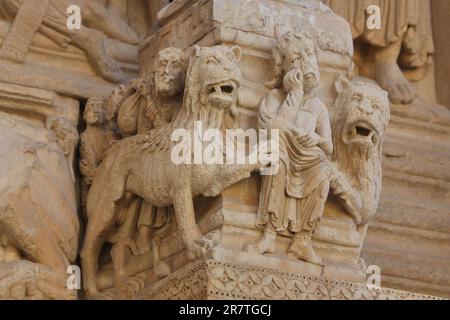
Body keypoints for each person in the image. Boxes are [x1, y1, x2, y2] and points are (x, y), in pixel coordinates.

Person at [245, 31, 332, 266]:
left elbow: (329, 146)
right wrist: (294, 94)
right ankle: (270, 235)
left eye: (309, 56)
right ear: (282, 69)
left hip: (308, 159)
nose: (304, 65)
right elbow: (273, 128)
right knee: (277, 156)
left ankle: (303, 240)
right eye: (295, 60)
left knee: (324, 170)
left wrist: (315, 141)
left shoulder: (318, 107)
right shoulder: (273, 98)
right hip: (283, 153)